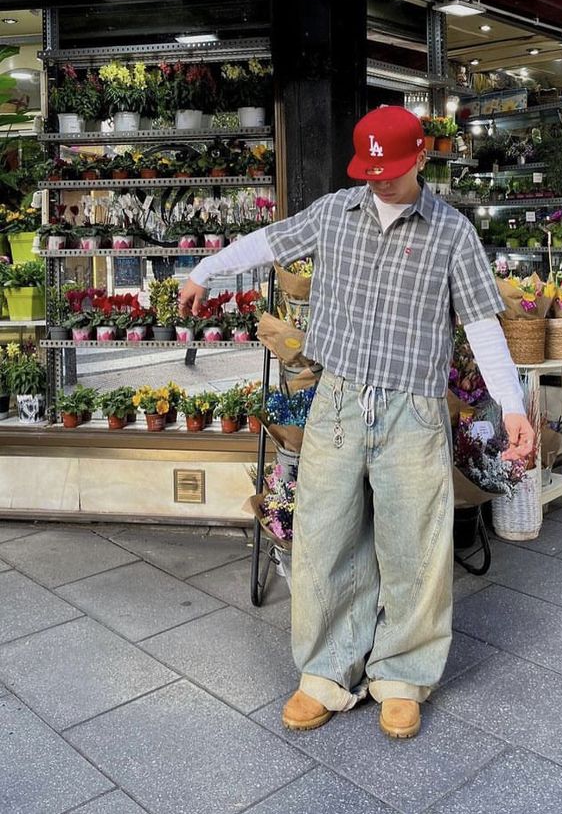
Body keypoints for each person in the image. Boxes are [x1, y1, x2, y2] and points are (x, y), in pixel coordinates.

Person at [179, 105, 534, 739]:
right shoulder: (334, 213)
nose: (380, 182)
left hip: (413, 407)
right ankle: (325, 674)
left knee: (415, 544)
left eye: (391, 170)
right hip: (339, 402)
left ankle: (401, 675)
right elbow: (272, 240)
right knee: (324, 537)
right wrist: (205, 269)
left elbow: (482, 323)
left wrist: (512, 408)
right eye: (370, 171)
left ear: (421, 154)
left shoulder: (453, 233)